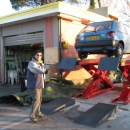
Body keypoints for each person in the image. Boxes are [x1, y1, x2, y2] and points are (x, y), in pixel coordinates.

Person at [27, 50, 50, 122]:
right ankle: (32, 115)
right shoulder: (31, 63)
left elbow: (41, 74)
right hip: (34, 85)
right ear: (34, 55)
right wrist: (45, 71)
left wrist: (44, 80)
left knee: (39, 100)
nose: (39, 56)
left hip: (39, 84)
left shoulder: (40, 63)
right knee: (36, 100)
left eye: (40, 55)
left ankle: (38, 113)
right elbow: (35, 70)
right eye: (37, 55)